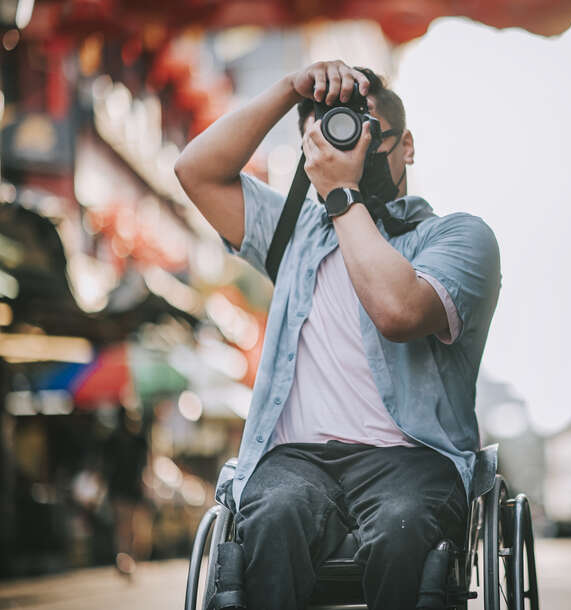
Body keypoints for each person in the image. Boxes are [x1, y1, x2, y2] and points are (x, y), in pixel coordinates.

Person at [175, 60, 501, 610]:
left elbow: (397, 311)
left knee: (403, 530)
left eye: (365, 128)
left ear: (408, 145)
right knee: (271, 518)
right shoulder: (295, 233)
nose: (354, 145)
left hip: (412, 459)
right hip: (296, 459)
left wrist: (342, 197)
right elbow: (195, 171)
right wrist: (288, 88)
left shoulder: (460, 238)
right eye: (335, 129)